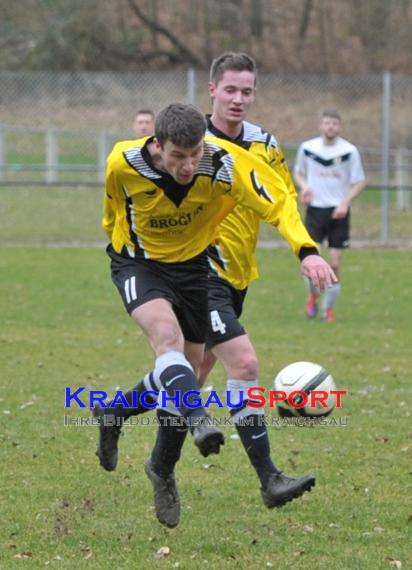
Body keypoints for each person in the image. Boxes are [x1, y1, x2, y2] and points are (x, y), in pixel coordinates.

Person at [95, 102, 337, 528]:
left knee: (187, 367)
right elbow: (113, 211)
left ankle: (119, 415)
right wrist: (122, 247)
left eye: (195, 155)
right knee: (166, 339)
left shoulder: (225, 165)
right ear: (157, 144)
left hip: (192, 269)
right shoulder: (123, 162)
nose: (189, 166)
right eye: (178, 157)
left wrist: (307, 250)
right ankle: (199, 422)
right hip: (140, 264)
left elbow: (278, 201)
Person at [294, 109, 366, 321]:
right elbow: (298, 172)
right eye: (327, 123)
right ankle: (312, 297)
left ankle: (328, 308)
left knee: (334, 264)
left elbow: (360, 180)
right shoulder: (308, 148)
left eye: (334, 123)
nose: (330, 127)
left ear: (339, 126)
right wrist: (305, 187)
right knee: (311, 260)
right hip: (315, 210)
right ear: (321, 125)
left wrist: (345, 202)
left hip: (338, 211)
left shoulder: (349, 151)